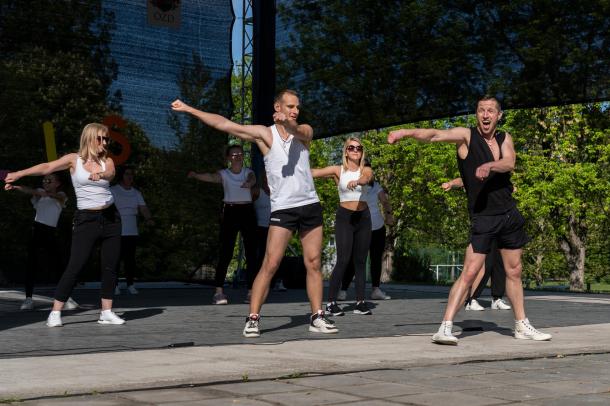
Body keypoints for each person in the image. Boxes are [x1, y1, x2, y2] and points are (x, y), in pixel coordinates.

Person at [172, 89, 338, 337]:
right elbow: (226, 124)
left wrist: (289, 124)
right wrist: (190, 110)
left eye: (297, 107)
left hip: (310, 205)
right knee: (270, 264)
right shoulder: (264, 134)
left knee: (313, 263)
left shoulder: (305, 130)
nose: (295, 111)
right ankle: (252, 318)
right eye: (290, 106)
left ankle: (317, 316)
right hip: (284, 209)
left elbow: (299, 131)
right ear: (277, 107)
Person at [388, 95, 551, 345]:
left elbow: (509, 162)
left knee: (514, 270)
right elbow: (434, 135)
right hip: (483, 217)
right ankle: (444, 327)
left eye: (490, 111)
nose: (485, 115)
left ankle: (521, 325)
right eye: (480, 110)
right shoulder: (466, 136)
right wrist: (405, 132)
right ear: (477, 114)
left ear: (499, 115)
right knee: (470, 273)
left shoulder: (504, 138)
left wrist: (489, 166)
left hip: (509, 215)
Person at [4, 123, 125, 327]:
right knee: (75, 266)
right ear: (89, 138)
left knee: (110, 266)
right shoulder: (73, 160)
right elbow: (47, 167)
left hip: (112, 218)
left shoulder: (108, 162)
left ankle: (106, 312)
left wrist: (101, 175)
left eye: (107, 139)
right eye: (100, 138)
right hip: (86, 219)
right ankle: (55, 312)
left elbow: (111, 174)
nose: (104, 143)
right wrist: (19, 174)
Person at [188, 144, 258, 305]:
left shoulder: (248, 172)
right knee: (226, 252)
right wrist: (196, 175)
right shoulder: (224, 174)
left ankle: (251, 292)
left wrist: (249, 183)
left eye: (240, 154)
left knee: (251, 253)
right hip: (230, 212)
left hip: (247, 211)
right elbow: (211, 177)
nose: (237, 156)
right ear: (228, 158)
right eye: (234, 154)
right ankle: (218, 292)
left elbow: (252, 179)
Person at [311, 137, 374, 316]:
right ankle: (331, 302)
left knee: (361, 262)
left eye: (359, 148)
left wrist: (359, 182)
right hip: (345, 217)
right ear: (346, 151)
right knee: (343, 260)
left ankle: (360, 302)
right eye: (351, 148)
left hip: (363, 217)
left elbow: (366, 177)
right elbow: (313, 172)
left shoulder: (366, 169)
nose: (355, 150)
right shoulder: (337, 170)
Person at [7, 174, 78, 311]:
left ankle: (66, 298)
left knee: (58, 266)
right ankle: (28, 299)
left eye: (49, 180)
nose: (46, 182)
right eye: (44, 180)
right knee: (31, 264)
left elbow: (57, 197)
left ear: (57, 183)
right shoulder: (39, 194)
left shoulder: (61, 195)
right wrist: (15, 186)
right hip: (37, 231)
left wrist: (46, 193)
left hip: (50, 233)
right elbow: (31, 191)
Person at [442, 177, 511, 311]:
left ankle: (497, 298)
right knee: (484, 264)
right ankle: (471, 299)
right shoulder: (476, 173)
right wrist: (450, 183)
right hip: (483, 224)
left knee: (500, 262)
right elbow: (463, 180)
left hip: (500, 222)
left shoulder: (495, 174)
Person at [339, 164, 394, 301]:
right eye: (366, 172)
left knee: (376, 259)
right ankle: (343, 289)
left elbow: (385, 201)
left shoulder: (376, 186)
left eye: (371, 172)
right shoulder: (354, 185)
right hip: (360, 227)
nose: (369, 175)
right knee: (355, 259)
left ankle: (376, 289)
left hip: (377, 228)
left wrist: (389, 215)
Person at [111, 166, 153, 295]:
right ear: (121, 176)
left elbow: (143, 208)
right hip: (116, 229)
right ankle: (114, 285)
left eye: (131, 175)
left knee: (130, 260)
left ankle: (130, 284)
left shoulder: (136, 192)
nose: (130, 177)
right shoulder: (113, 190)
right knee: (115, 259)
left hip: (131, 230)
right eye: (127, 174)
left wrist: (149, 219)